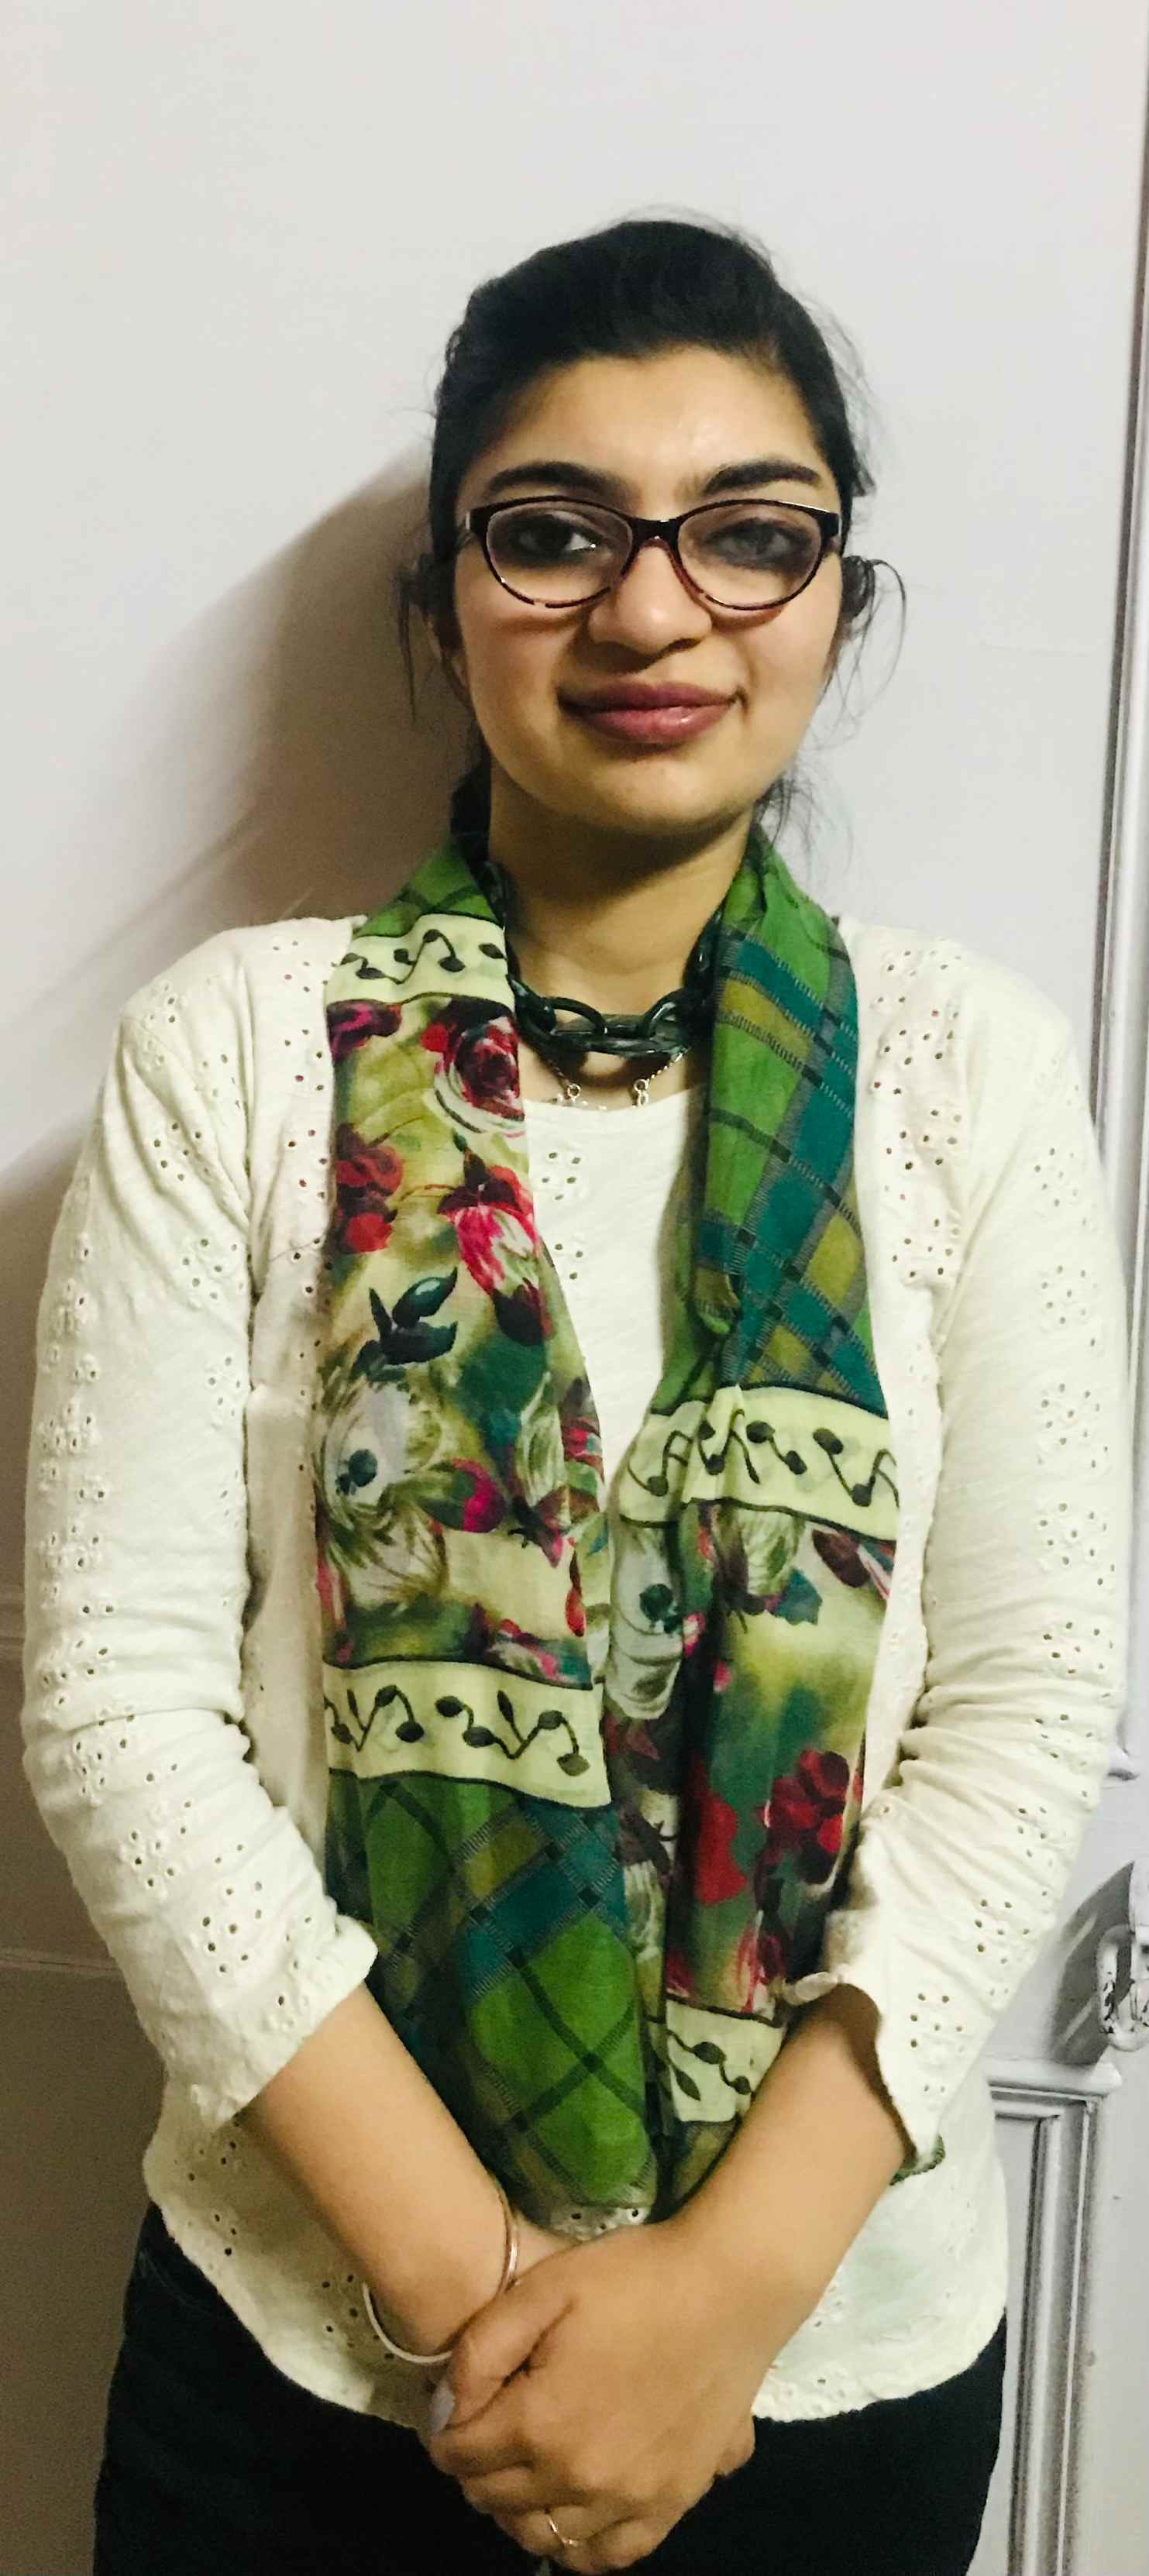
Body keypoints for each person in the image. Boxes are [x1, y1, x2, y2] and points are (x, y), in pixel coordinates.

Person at [21, 214, 1131, 2576]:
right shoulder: (234, 1056)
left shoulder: (966, 1076)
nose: (651, 613)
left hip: (823, 2360)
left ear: (837, 597)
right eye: (551, 533)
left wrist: (715, 2304)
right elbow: (118, 1705)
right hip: (309, 2356)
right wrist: (489, 2310)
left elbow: (1032, 1701)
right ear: (443, 606)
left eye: (748, 533)